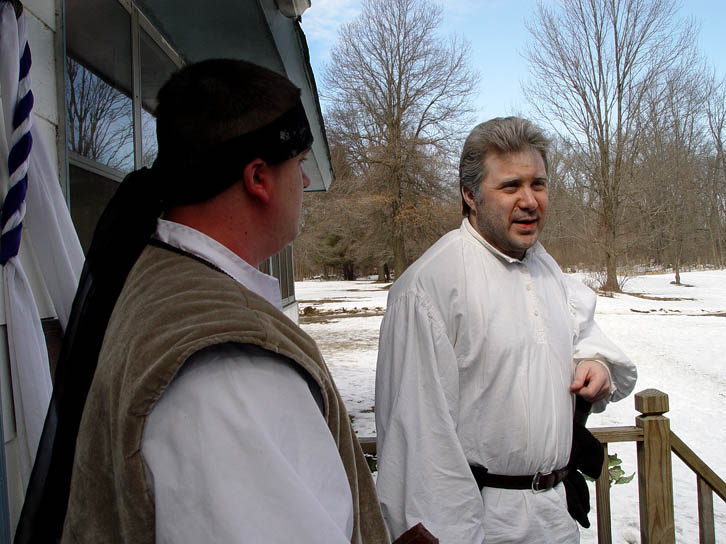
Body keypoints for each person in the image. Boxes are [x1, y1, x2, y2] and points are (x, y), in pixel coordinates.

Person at [15, 59, 389, 544]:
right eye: (299, 164)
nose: (305, 183)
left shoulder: (154, 277)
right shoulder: (231, 368)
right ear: (259, 178)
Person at [374, 117, 637, 543]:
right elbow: (420, 443)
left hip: (555, 517)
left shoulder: (546, 270)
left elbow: (586, 341)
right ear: (470, 195)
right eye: (511, 186)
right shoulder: (431, 286)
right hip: (481, 522)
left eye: (539, 184)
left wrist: (596, 365)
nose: (530, 201)